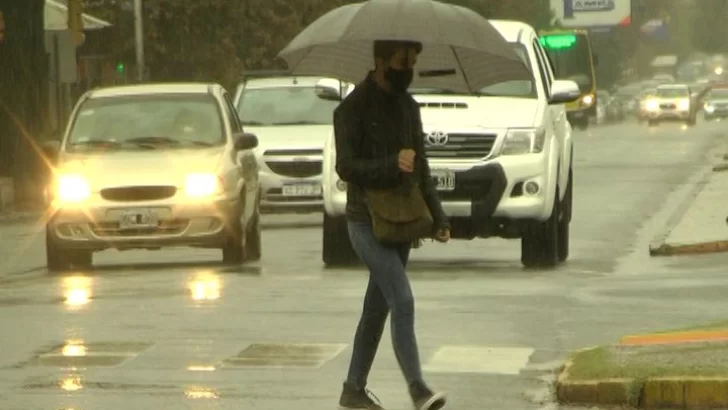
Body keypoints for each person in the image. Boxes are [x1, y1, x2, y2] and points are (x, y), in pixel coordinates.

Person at [334, 39, 450, 410]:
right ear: (381, 61)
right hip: (365, 221)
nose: (408, 69)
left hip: (402, 219)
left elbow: (422, 167)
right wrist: (390, 164)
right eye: (402, 61)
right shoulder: (351, 109)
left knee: (376, 309)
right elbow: (346, 167)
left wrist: (438, 217)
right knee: (402, 299)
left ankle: (353, 389)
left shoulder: (408, 107)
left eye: (413, 61)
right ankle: (418, 389)